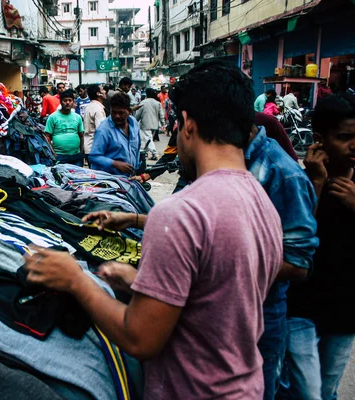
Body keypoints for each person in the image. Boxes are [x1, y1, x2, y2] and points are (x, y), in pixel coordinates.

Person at [24, 60, 283, 399]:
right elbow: (223, 298)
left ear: (187, 123)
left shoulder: (180, 212)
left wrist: (76, 280)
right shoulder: (263, 203)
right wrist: (143, 285)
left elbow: (139, 338)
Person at [279, 93, 355, 400]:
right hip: (301, 305)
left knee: (326, 390)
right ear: (320, 140)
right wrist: (317, 185)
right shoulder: (297, 179)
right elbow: (293, 239)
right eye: (345, 137)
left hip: (346, 308)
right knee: (308, 392)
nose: (353, 145)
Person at [243, 124, 318, 400]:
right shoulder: (234, 160)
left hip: (264, 312)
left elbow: (298, 263)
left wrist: (223, 267)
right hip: (229, 311)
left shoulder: (282, 173)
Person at [89, 92, 141, 176]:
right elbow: (93, 157)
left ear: (129, 111)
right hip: (108, 180)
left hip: (129, 178)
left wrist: (137, 167)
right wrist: (115, 164)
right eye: (114, 112)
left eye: (121, 113)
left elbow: (137, 147)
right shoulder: (103, 130)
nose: (117, 116)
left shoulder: (133, 123)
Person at [44, 89, 84, 167]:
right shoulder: (52, 117)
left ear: (73, 102)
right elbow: (47, 137)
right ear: (61, 102)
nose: (68, 103)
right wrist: (53, 154)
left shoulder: (78, 117)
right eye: (65, 100)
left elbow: (81, 136)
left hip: (76, 156)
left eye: (70, 100)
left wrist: (81, 152)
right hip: (59, 156)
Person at [135, 88, 165, 160]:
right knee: (148, 139)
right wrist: (163, 124)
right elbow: (161, 115)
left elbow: (138, 115)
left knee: (148, 139)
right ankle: (143, 153)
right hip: (155, 125)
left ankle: (154, 153)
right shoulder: (157, 103)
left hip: (145, 124)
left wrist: (135, 120)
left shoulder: (143, 103)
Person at [82, 84, 107, 156]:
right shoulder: (98, 109)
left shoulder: (89, 106)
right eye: (102, 90)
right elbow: (101, 130)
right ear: (98, 94)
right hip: (96, 149)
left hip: (89, 146)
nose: (105, 91)